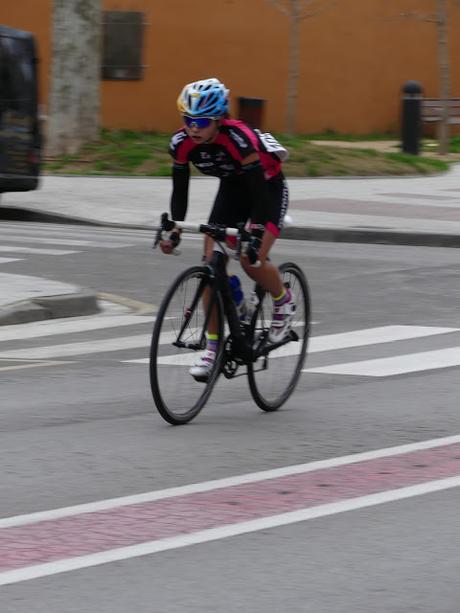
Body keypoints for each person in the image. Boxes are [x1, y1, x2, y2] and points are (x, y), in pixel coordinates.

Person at [160, 77, 295, 380]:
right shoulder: (181, 144)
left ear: (219, 119)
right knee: (210, 270)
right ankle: (213, 348)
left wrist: (256, 231)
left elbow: (259, 190)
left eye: (202, 121)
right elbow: (180, 191)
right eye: (188, 120)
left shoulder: (238, 138)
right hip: (232, 191)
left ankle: (283, 302)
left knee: (251, 257)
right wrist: (175, 228)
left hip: (267, 188)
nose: (193, 127)